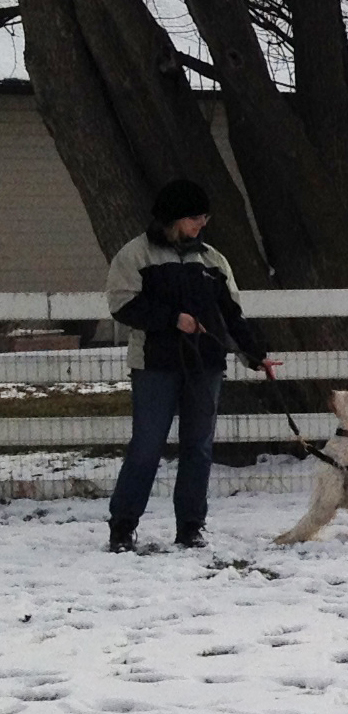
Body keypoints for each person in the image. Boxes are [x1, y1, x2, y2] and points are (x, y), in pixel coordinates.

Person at [106, 180, 278, 553]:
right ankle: (123, 525)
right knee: (146, 446)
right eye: (195, 217)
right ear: (173, 218)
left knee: (198, 447)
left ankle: (190, 525)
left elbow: (232, 314)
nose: (202, 223)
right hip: (154, 366)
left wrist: (255, 355)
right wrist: (173, 319)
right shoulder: (135, 256)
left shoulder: (213, 261)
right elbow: (123, 305)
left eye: (204, 217)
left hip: (205, 365)